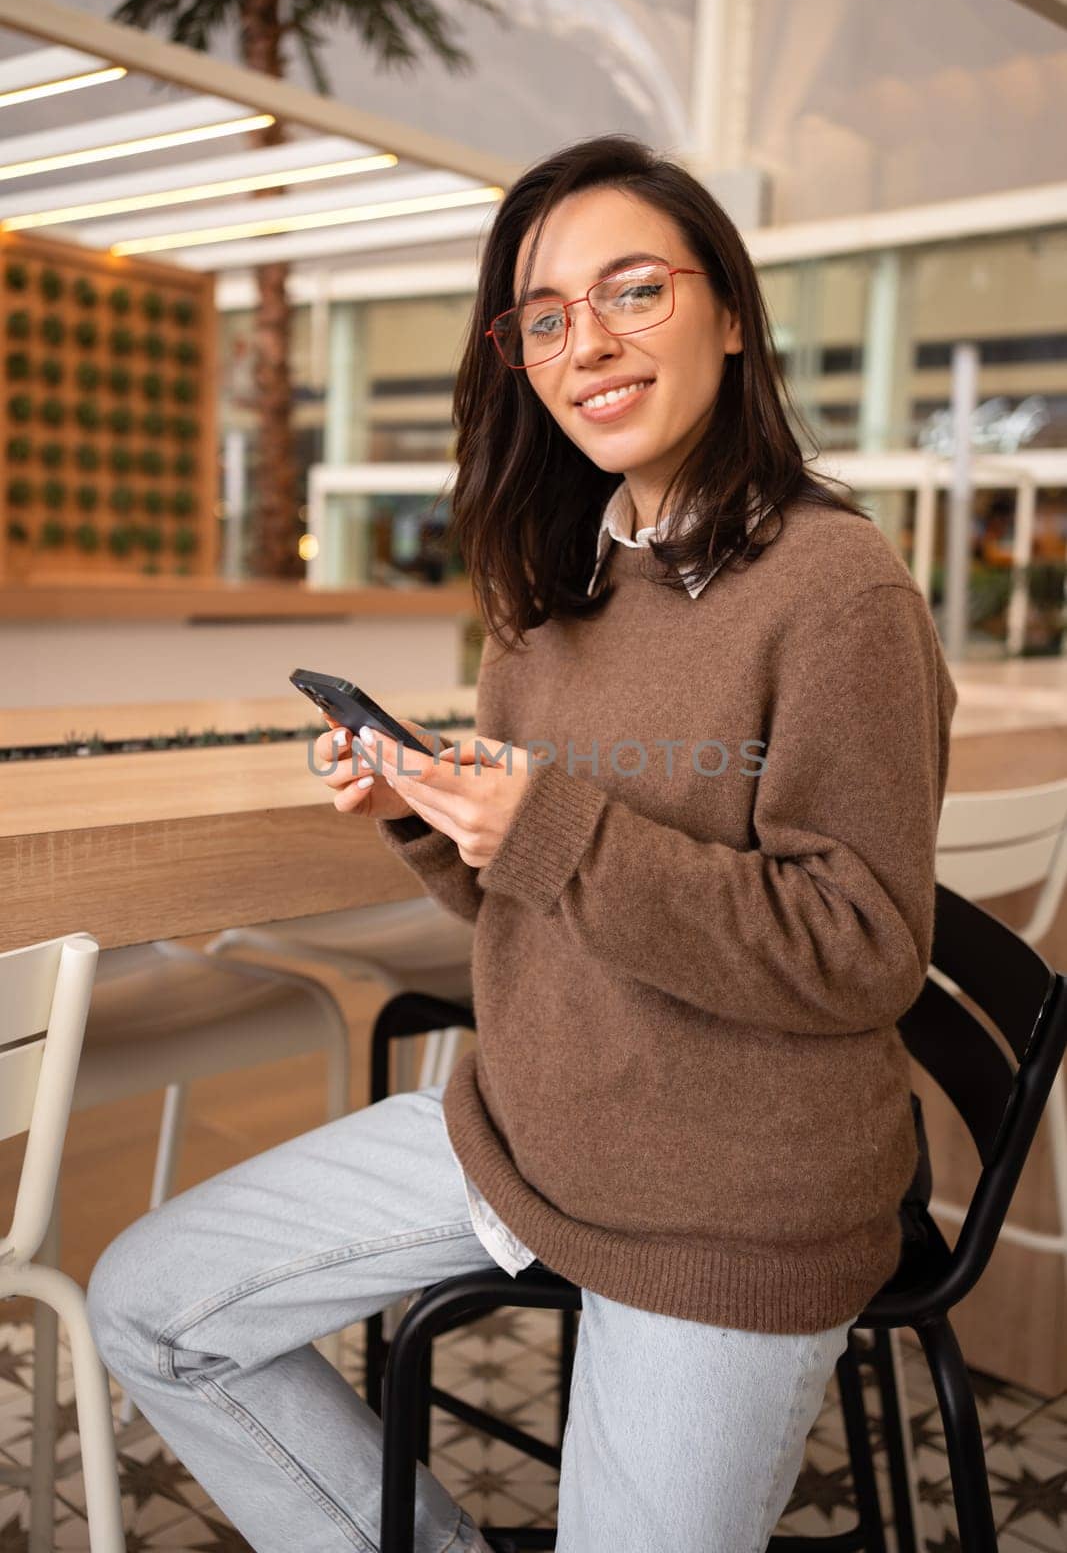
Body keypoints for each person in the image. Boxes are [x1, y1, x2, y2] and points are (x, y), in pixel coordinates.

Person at [87, 133, 958, 1553]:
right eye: (545, 317)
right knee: (147, 1308)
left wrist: (548, 824)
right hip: (523, 1130)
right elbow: (543, 901)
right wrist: (433, 818)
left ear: (731, 314)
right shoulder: (552, 590)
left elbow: (859, 953)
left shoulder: (835, 586)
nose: (588, 344)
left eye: (635, 293)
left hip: (729, 1201)